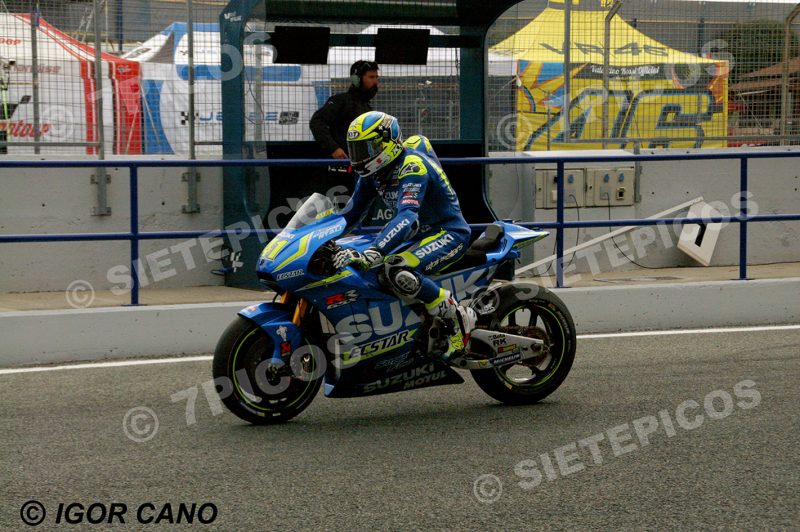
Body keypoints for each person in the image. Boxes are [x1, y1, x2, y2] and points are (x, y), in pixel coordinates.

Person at [332, 111, 477, 360]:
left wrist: (375, 250)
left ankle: (457, 316)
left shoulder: (412, 166)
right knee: (371, 268)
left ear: (387, 142)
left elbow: (407, 217)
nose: (360, 156)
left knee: (396, 268)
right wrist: (317, 236)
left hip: (448, 232)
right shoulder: (373, 172)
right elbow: (351, 214)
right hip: (420, 236)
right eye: (356, 149)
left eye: (367, 148)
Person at [309, 60, 380, 160]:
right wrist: (333, 149)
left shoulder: (367, 108)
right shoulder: (340, 101)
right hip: (342, 164)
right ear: (357, 80)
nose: (376, 82)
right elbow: (317, 122)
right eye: (371, 77)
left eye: (376, 77)